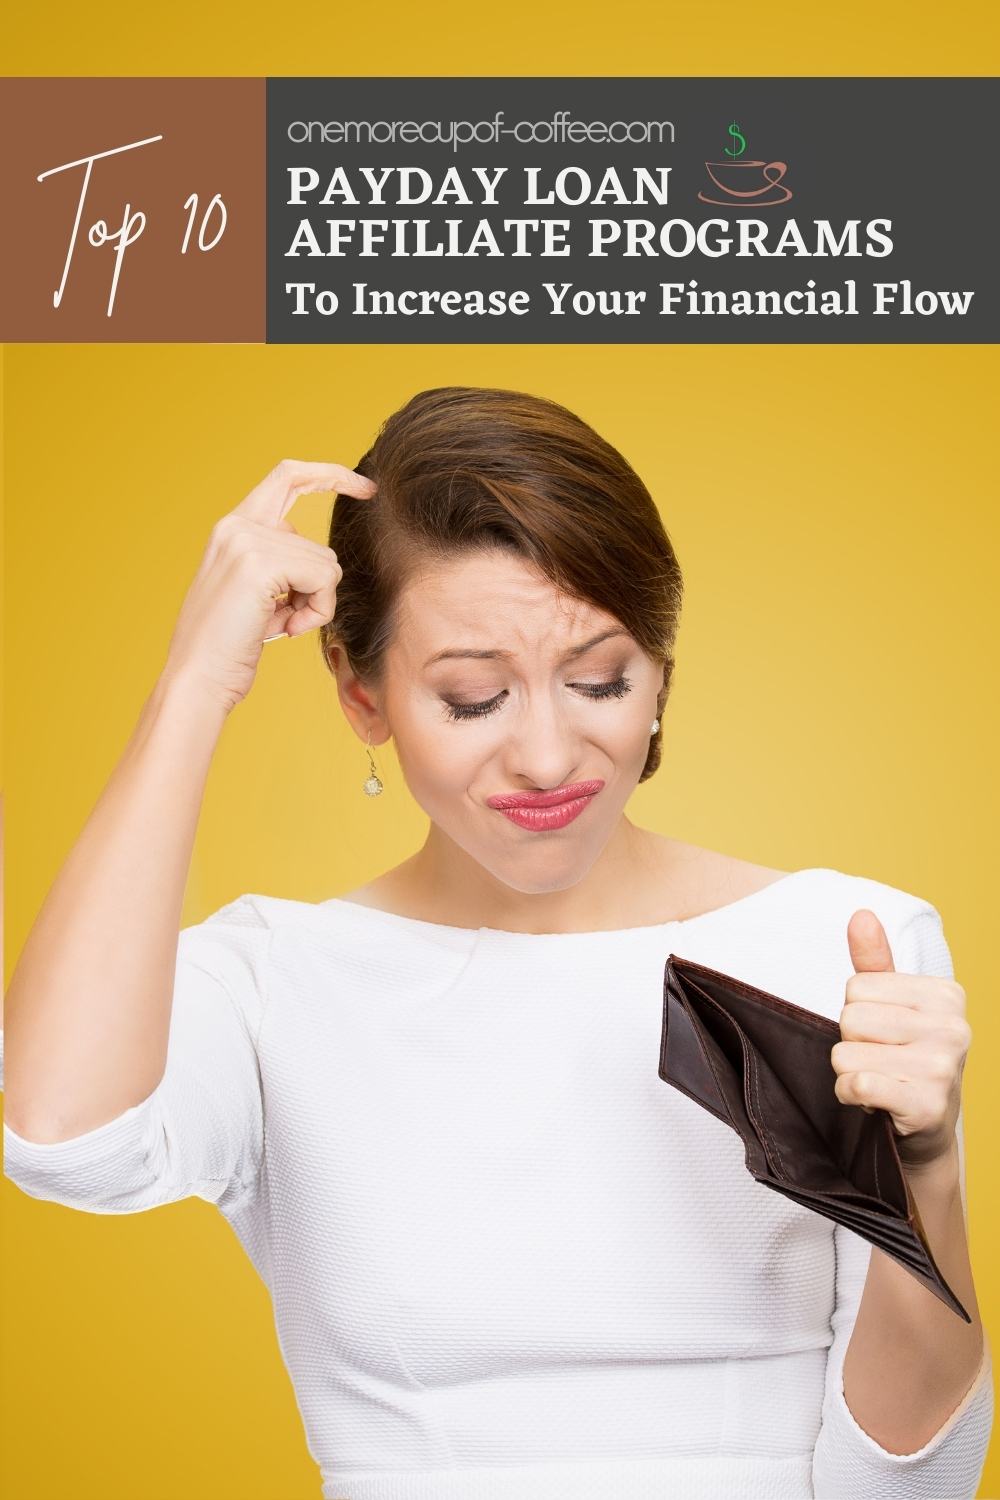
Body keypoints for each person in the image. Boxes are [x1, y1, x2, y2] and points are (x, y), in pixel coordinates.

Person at [1, 387, 993, 1499]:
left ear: (660, 675)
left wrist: (927, 1174)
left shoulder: (841, 946)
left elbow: (915, 1483)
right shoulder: (276, 982)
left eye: (600, 680)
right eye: (473, 697)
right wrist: (195, 684)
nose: (545, 753)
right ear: (358, 690)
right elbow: (63, 1141)